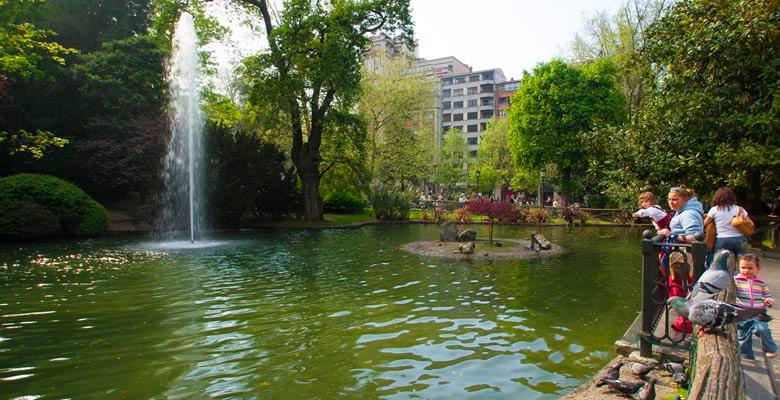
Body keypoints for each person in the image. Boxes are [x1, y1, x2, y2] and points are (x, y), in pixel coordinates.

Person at [735, 253, 777, 359]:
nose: (746, 271)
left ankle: (770, 349)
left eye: (750, 268)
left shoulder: (761, 283)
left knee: (763, 329)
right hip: (742, 312)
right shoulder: (736, 281)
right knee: (743, 335)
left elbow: (767, 295)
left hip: (759, 312)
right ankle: (746, 355)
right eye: (743, 268)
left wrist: (769, 300)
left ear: (757, 269)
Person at [703, 186, 749, 256]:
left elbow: (704, 224)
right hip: (740, 239)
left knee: (720, 263)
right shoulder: (739, 209)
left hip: (723, 239)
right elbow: (750, 222)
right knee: (743, 261)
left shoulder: (714, 210)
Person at [668, 252, 693, 333]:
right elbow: (676, 296)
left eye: (682, 267)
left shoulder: (688, 278)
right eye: (677, 267)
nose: (680, 269)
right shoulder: (674, 282)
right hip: (680, 302)